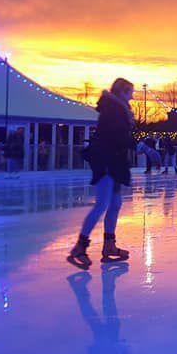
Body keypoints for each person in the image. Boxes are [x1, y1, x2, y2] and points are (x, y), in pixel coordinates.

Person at [68, 78, 136, 270]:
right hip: (106, 161)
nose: (133, 95)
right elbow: (117, 135)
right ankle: (79, 247)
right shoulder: (113, 110)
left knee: (115, 204)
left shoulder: (119, 109)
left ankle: (109, 245)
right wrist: (138, 145)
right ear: (122, 92)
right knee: (102, 204)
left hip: (114, 162)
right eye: (130, 91)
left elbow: (121, 135)